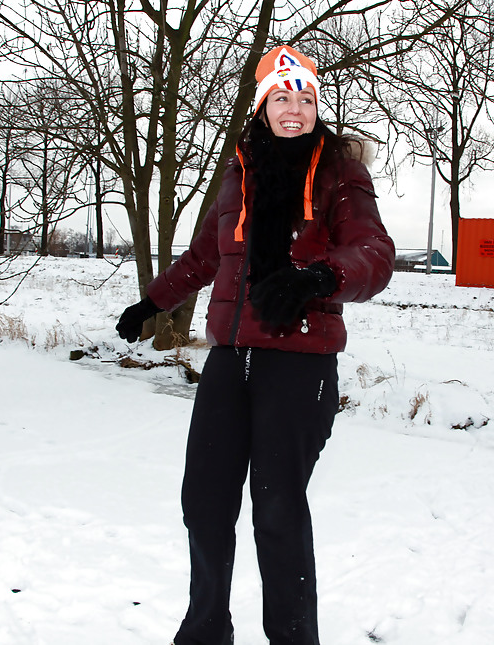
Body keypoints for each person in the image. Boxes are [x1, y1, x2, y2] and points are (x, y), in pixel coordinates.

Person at [115, 45, 395, 645]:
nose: (295, 109)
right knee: (205, 501)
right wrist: (153, 302)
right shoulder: (240, 173)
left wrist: (321, 276)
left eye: (307, 99)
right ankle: (207, 632)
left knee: (276, 511)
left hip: (300, 364)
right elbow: (205, 256)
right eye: (283, 98)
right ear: (263, 103)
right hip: (230, 358)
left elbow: (374, 252)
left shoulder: (340, 172)